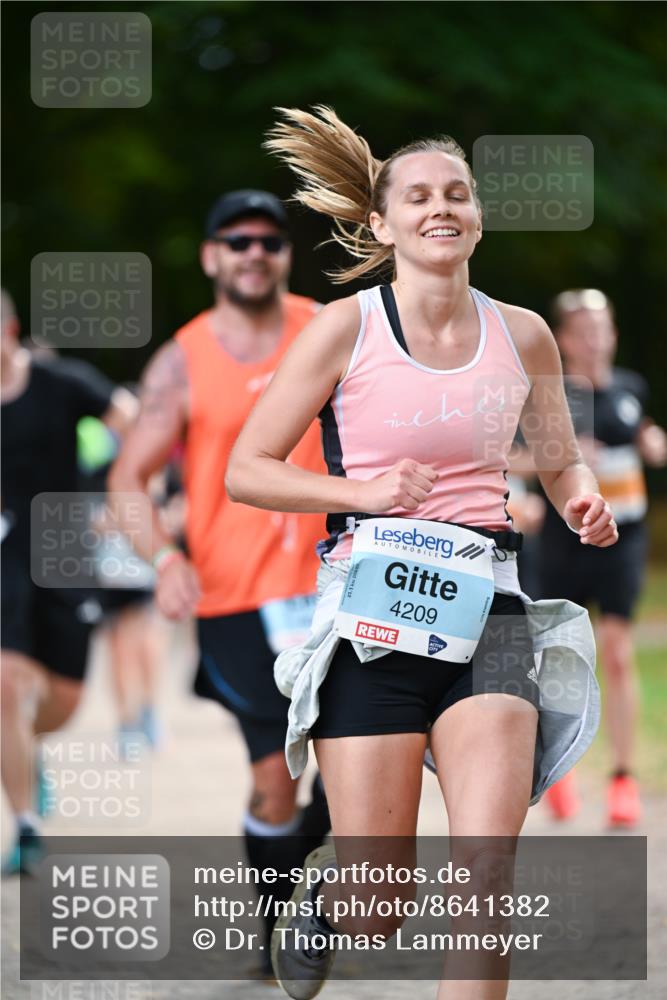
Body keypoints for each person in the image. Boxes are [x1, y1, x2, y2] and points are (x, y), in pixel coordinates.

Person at [226, 107, 617, 1000]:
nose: (440, 208)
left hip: (494, 611)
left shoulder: (522, 334)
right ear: (381, 222)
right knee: (382, 904)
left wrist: (582, 500)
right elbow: (245, 471)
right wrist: (358, 495)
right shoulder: (341, 330)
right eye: (418, 196)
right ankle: (331, 894)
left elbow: (558, 460)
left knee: (485, 880)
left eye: (456, 193)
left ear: (475, 213)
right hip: (373, 618)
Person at [109, 190, 331, 965]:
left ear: (284, 255)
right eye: (237, 240)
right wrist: (164, 559)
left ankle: (314, 897)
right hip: (236, 600)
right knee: (274, 779)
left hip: (340, 586)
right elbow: (128, 479)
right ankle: (275, 937)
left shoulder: (328, 331)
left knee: (356, 764)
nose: (254, 253)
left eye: (269, 241)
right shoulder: (182, 358)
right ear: (211, 256)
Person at [0, 289, 137, 873]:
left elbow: (132, 421)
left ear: (10, 328)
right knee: (4, 682)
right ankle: (26, 827)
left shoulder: (62, 382)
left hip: (62, 550)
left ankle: (26, 751)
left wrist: (119, 490)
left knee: (63, 699)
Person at [539, 289, 667, 826]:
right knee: (565, 660)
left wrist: (652, 443)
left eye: (603, 327)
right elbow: (519, 462)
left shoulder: (630, 388)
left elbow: (641, 438)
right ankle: (560, 770)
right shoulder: (552, 394)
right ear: (565, 339)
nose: (596, 338)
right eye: (584, 330)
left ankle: (622, 778)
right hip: (565, 540)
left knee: (617, 653)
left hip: (624, 538)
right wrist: (564, 461)